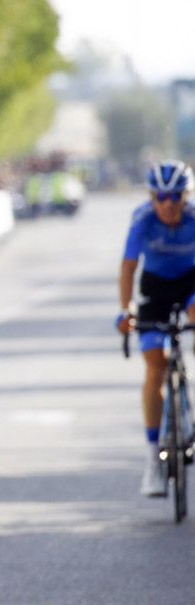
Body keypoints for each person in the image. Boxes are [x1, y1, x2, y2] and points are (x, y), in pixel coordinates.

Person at [116, 160, 195, 497]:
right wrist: (126, 311)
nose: (169, 203)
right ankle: (152, 460)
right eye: (161, 197)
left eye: (176, 196)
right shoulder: (143, 221)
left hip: (191, 285)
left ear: (186, 196)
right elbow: (129, 268)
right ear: (151, 198)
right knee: (154, 367)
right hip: (156, 289)